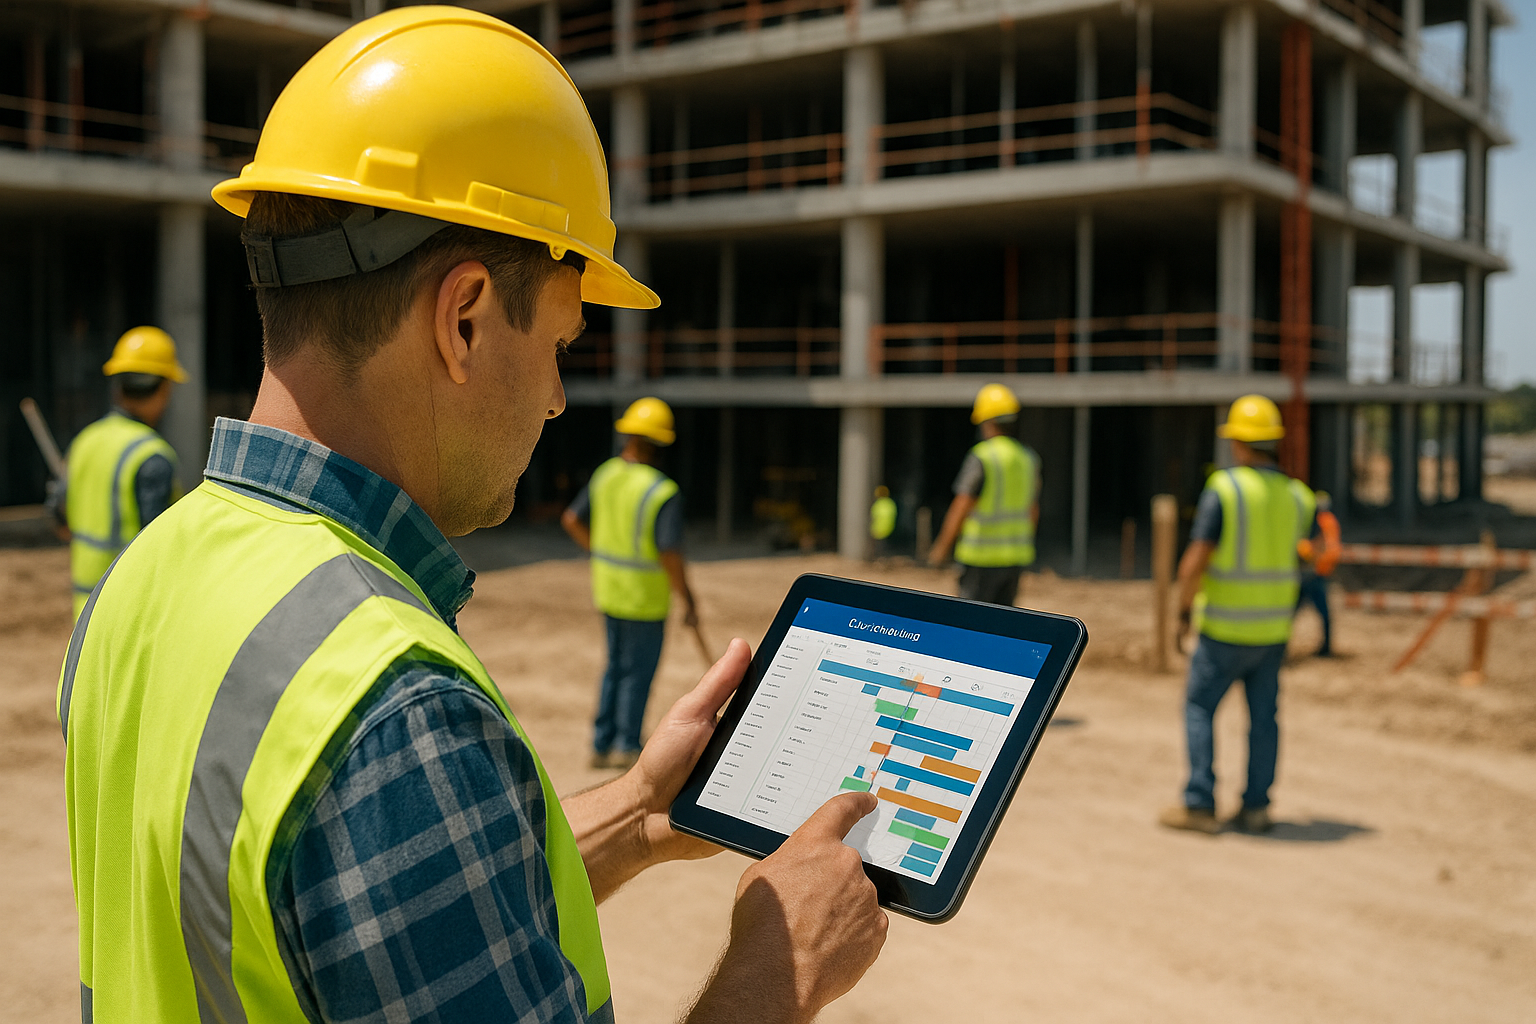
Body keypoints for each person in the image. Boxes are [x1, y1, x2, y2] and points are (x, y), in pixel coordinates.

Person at [58, 11, 886, 1023]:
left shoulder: (145, 577)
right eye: (561, 344)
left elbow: (340, 909)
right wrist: (777, 970)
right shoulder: (391, 707)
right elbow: (383, 822)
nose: (552, 398)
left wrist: (635, 811)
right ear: (464, 319)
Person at [1161, 395, 1317, 836]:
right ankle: (1256, 809)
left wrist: (1183, 611)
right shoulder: (1298, 496)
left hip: (1224, 629)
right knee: (1264, 719)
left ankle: (1199, 804)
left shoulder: (1226, 490)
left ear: (1239, 444)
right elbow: (1309, 557)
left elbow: (1195, 559)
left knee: (1198, 706)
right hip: (1272, 631)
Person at [561, 397, 699, 770]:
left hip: (608, 590)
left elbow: (571, 519)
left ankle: (601, 742)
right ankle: (625, 744)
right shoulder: (661, 490)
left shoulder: (605, 474)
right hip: (646, 599)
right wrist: (687, 598)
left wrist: (601, 553)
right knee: (638, 672)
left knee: (614, 667)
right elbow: (669, 552)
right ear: (661, 443)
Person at [55, 326, 186, 619]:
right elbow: (160, 551)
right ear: (164, 388)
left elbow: (58, 517)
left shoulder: (85, 440)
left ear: (117, 386)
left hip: (85, 611)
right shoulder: (152, 456)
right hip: (132, 614)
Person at [927, 383, 1040, 606]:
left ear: (986, 421)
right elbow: (1033, 509)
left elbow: (962, 505)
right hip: (1015, 558)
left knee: (972, 626)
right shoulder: (1028, 458)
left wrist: (940, 549)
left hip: (979, 559)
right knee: (1003, 625)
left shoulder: (983, 457)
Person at [1296, 490, 1341, 657]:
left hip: (1313, 572)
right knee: (1323, 612)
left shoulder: (1319, 522)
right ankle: (1326, 646)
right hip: (1319, 571)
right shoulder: (1330, 521)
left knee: (1294, 611)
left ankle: (1326, 647)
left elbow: (1314, 547)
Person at [869, 484, 896, 558]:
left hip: (878, 529)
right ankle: (883, 558)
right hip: (889, 528)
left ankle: (876, 558)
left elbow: (873, 517)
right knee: (884, 546)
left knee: (877, 547)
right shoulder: (890, 503)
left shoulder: (878, 504)